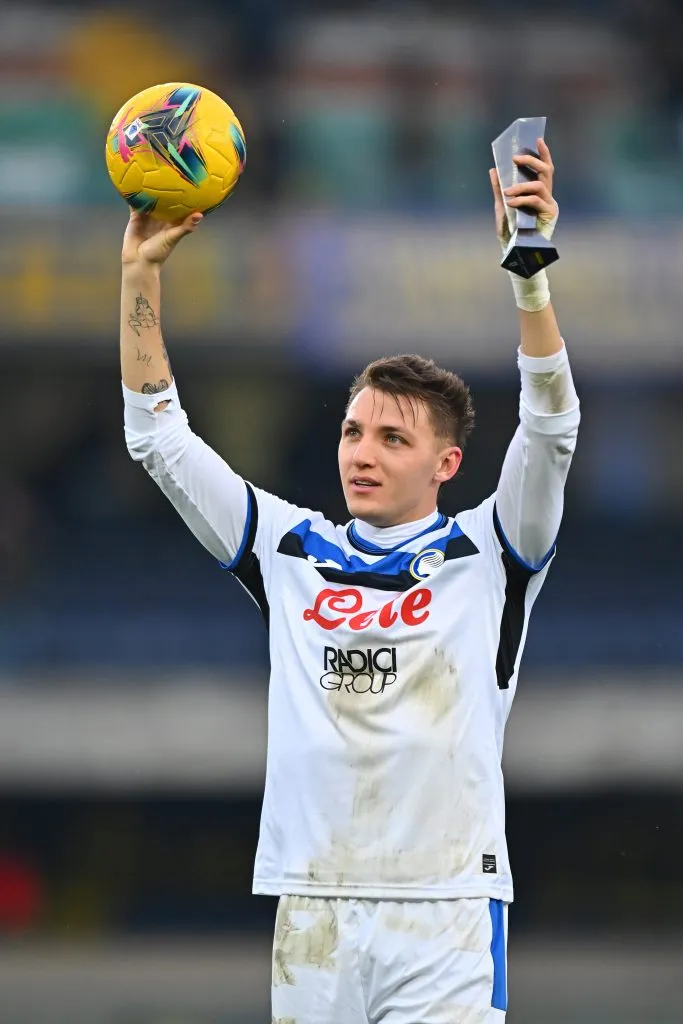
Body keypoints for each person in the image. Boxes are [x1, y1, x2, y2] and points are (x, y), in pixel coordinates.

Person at [120, 138, 579, 1023]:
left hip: (446, 909)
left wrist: (529, 276)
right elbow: (159, 439)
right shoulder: (287, 548)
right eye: (352, 432)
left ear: (446, 464)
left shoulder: (493, 549)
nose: (362, 454)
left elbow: (552, 429)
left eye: (392, 439)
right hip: (314, 909)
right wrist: (139, 276)